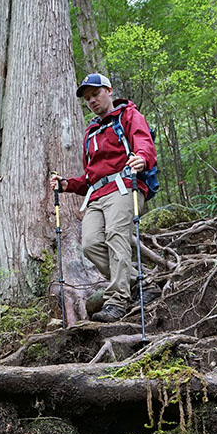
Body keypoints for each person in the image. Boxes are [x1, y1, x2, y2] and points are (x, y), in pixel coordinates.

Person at [51, 73, 157, 323]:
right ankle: (142, 283)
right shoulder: (92, 131)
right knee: (89, 243)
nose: (91, 101)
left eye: (95, 94)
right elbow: (90, 177)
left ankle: (118, 300)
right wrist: (66, 185)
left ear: (108, 91)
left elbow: (144, 142)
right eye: (87, 98)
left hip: (125, 187)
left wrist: (141, 158)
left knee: (116, 237)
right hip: (96, 196)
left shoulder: (127, 115)